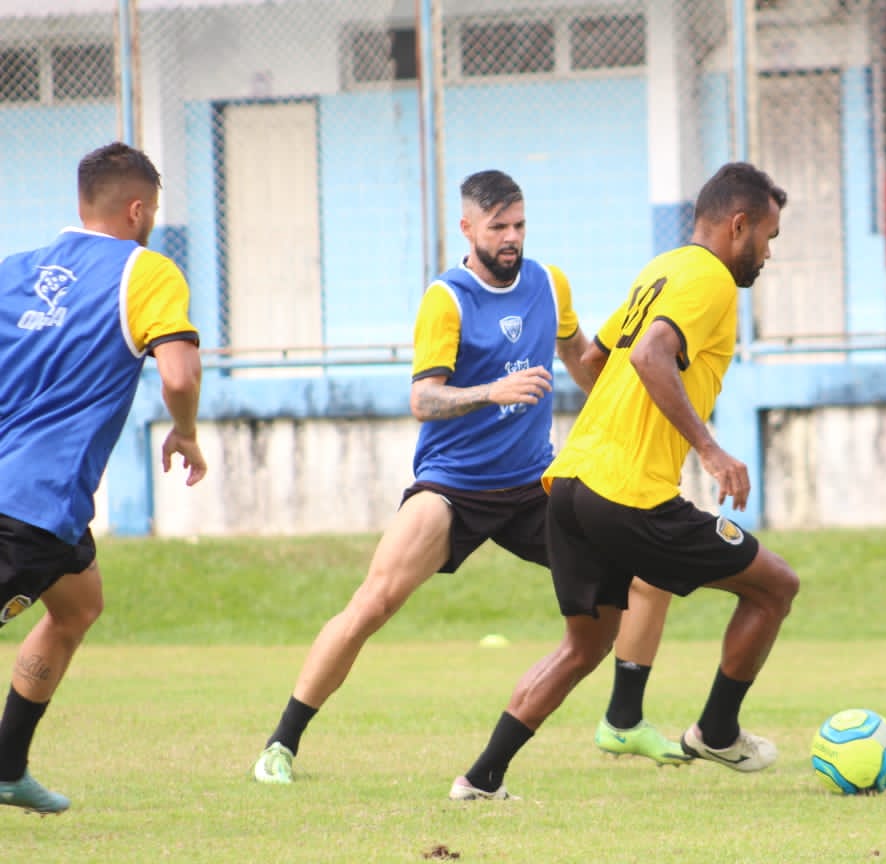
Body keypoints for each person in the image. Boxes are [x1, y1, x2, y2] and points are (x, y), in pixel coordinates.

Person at [252, 169, 686, 785]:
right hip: (453, 486)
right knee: (372, 603)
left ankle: (623, 717)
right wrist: (492, 391)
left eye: (519, 226)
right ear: (467, 228)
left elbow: (582, 358)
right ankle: (281, 745)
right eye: (498, 227)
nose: (511, 238)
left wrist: (628, 415)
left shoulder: (548, 283)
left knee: (649, 565)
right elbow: (423, 400)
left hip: (535, 485)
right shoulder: (446, 299)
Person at [449, 161, 800, 801]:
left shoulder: (661, 270)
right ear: (738, 224)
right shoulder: (711, 279)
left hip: (573, 486)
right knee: (775, 586)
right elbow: (647, 355)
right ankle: (718, 730)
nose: (767, 254)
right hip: (627, 494)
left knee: (582, 649)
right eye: (768, 238)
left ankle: (480, 778)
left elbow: (593, 360)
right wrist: (711, 450)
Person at [0, 142, 207, 815]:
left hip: (44, 508)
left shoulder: (14, 272)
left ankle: (6, 766)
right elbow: (177, 374)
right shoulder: (146, 271)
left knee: (79, 604)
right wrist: (187, 430)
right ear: (138, 208)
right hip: (31, 506)